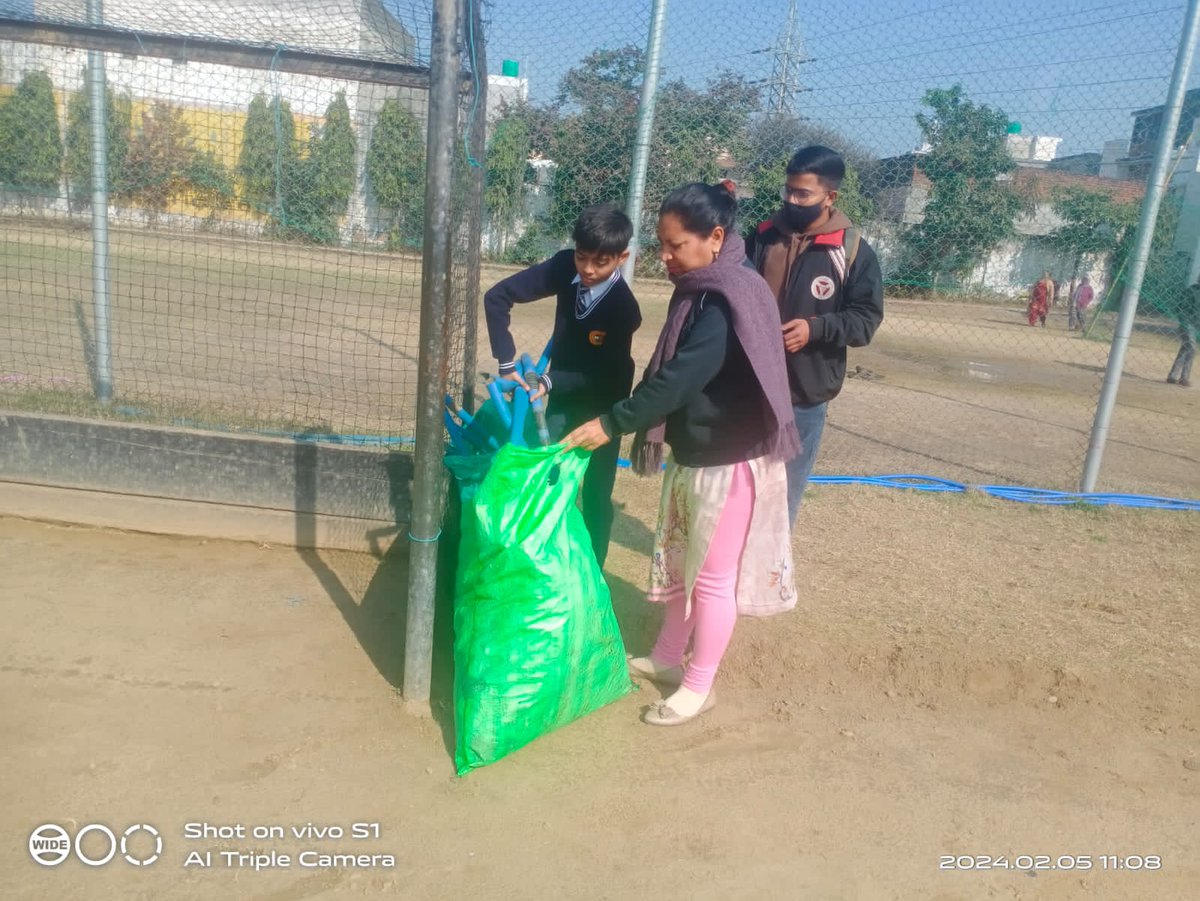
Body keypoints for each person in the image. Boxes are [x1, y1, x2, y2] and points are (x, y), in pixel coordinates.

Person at [564, 182, 801, 727]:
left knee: (713, 581)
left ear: (715, 238)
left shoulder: (726, 300)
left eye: (675, 246)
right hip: (692, 455)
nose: (665, 257)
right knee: (678, 563)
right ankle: (669, 658)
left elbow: (676, 380)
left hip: (729, 463)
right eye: (662, 245)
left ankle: (699, 685)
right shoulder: (698, 289)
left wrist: (611, 423)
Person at [483, 202, 642, 567]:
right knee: (549, 479)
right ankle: (545, 564)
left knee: (597, 494)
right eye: (582, 257)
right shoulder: (563, 266)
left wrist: (549, 380)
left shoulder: (624, 310)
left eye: (600, 262)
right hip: (560, 400)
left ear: (622, 257)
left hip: (603, 408)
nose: (587, 269)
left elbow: (604, 373)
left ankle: (591, 571)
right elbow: (497, 298)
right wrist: (508, 364)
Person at [744, 145, 884, 525]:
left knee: (782, 499)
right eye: (788, 190)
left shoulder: (851, 250)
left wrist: (815, 328)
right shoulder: (762, 238)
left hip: (803, 396)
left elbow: (866, 320)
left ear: (830, 196)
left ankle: (770, 578)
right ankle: (730, 579)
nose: (792, 200)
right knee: (740, 492)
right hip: (748, 388)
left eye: (803, 194)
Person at [1167, 281, 1198, 388]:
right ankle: (1184, 377)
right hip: (1187, 323)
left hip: (1195, 325)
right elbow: (1181, 309)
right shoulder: (1191, 291)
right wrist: (1184, 322)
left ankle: (1173, 376)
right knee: (1191, 347)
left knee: (1185, 347)